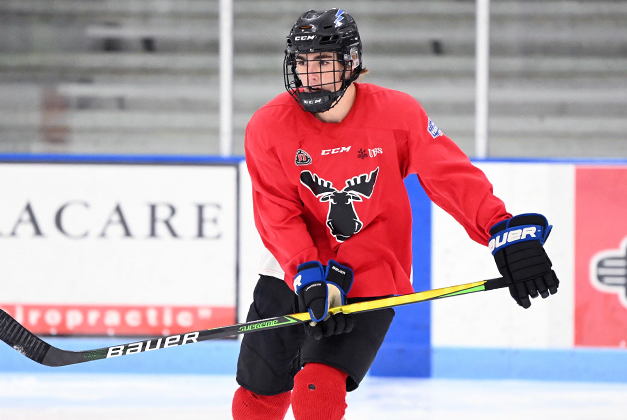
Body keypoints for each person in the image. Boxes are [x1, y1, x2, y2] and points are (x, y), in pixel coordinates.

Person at [233, 8, 560, 420]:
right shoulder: (268, 126)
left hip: (369, 269)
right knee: (255, 399)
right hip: (291, 266)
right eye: (301, 63)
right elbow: (276, 212)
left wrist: (501, 230)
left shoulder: (398, 114)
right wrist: (307, 274)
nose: (309, 75)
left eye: (322, 62)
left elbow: (451, 176)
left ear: (350, 63)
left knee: (318, 389)